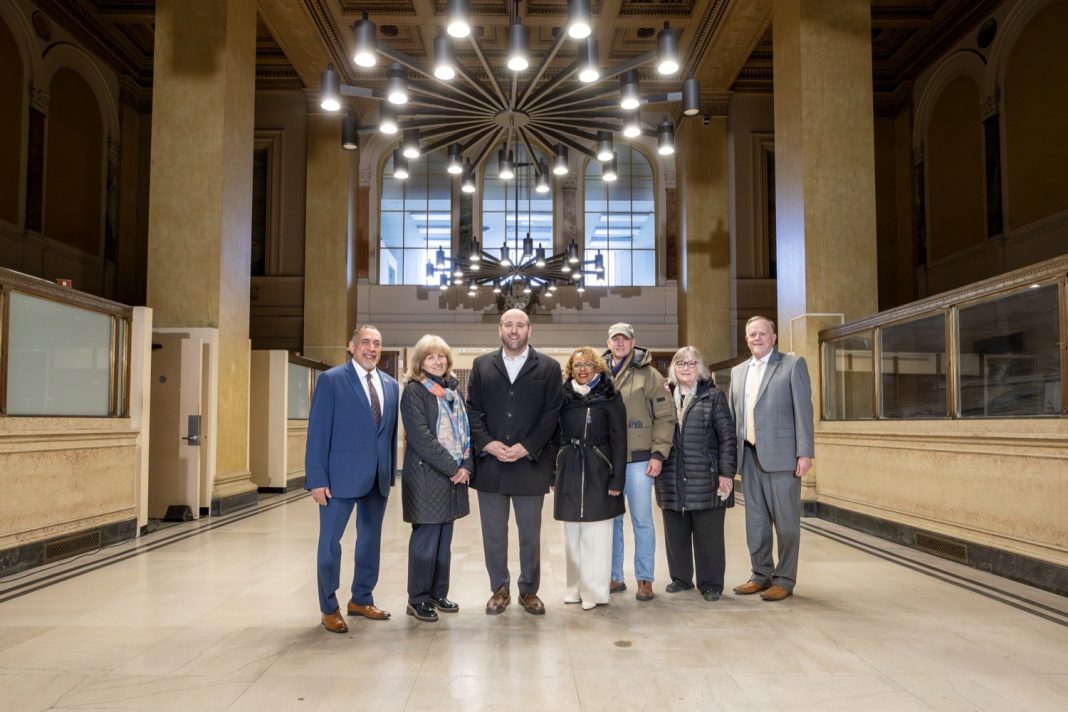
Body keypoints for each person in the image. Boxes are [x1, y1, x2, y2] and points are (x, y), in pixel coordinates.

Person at [467, 308, 563, 616]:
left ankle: (528, 590)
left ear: (529, 330)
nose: (513, 330)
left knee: (530, 535)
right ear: (499, 329)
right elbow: (473, 411)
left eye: (520, 324)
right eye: (508, 324)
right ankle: (499, 589)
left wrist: (527, 447)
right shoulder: (481, 365)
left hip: (530, 465)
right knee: (494, 534)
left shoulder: (549, 368)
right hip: (491, 464)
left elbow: (551, 415)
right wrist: (487, 443)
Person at [306, 325, 399, 633]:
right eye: (365, 342)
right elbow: (318, 432)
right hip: (338, 479)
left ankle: (361, 598)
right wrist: (317, 478)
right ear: (352, 346)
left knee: (370, 542)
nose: (371, 348)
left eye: (377, 343)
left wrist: (388, 473)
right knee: (330, 545)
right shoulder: (332, 380)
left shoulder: (391, 385)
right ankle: (328, 607)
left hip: (377, 478)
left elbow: (387, 434)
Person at [728, 316, 814, 601]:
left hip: (783, 457)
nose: (757, 338)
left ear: (773, 337)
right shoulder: (738, 372)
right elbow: (734, 417)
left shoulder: (792, 365)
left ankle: (785, 579)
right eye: (752, 334)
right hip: (748, 455)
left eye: (762, 333)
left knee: (786, 523)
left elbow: (804, 411)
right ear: (746, 339)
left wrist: (804, 452)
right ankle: (760, 575)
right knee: (756, 522)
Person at [399, 334, 472, 623]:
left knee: (443, 541)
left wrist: (466, 465)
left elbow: (466, 433)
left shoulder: (452, 391)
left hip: (452, 478)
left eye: (441, 356)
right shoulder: (414, 392)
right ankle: (417, 599)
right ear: (419, 362)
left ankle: (438, 593)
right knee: (426, 541)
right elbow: (422, 438)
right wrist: (454, 468)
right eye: (430, 357)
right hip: (426, 477)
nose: (437, 361)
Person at [657, 346, 737, 602]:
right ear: (674, 368)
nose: (686, 368)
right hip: (671, 475)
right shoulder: (663, 396)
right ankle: (681, 578)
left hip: (706, 477)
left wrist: (726, 473)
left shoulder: (713, 396)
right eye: (681, 363)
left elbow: (727, 438)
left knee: (708, 535)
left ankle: (711, 584)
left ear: (700, 368)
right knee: (675, 532)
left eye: (692, 363)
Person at [603, 322, 675, 601]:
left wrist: (658, 454)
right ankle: (614, 576)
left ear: (633, 343)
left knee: (642, 520)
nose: (620, 343)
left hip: (639, 460)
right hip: (608, 460)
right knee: (612, 521)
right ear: (609, 343)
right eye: (615, 339)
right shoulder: (599, 373)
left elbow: (665, 417)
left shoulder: (650, 375)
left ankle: (645, 578)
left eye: (625, 339)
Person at [552, 347, 626, 610]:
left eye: (587, 364)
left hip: (599, 469)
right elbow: (554, 435)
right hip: (569, 468)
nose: (582, 369)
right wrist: (554, 471)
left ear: (597, 368)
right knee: (572, 533)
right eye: (577, 365)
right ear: (570, 369)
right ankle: (574, 588)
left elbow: (620, 440)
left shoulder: (610, 396)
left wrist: (617, 480)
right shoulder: (563, 397)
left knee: (597, 535)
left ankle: (594, 592)